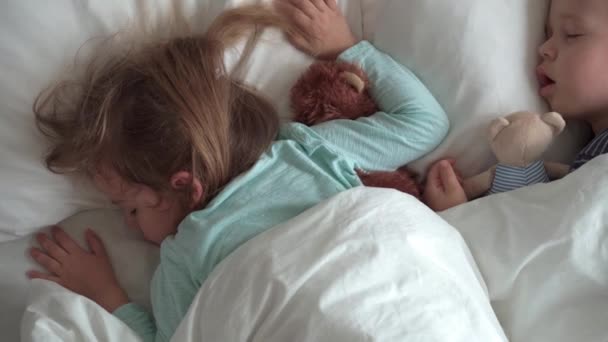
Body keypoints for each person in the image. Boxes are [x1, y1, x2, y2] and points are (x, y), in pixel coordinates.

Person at [27, 1, 451, 341]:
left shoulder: (184, 255)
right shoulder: (305, 150)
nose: (129, 225)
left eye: (132, 209)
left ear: (185, 186)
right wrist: (345, 48)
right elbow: (424, 122)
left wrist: (107, 294)